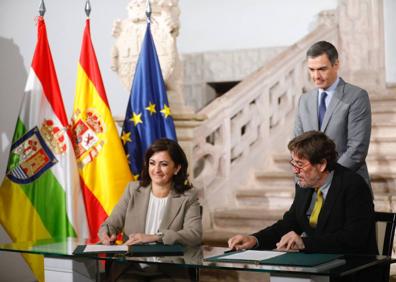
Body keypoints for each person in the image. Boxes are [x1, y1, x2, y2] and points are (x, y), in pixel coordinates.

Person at [228, 131, 377, 256]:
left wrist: (304, 243)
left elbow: (354, 238)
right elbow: (289, 224)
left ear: (322, 164)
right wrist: (255, 239)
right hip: (317, 265)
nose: (295, 170)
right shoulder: (304, 185)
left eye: (300, 164)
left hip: (352, 268)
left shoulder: (353, 185)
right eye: (293, 163)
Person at [99, 138, 202, 281]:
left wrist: (155, 237)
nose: (157, 170)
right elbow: (110, 224)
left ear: (177, 168)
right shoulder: (133, 190)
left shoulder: (188, 197)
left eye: (164, 164)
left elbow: (194, 234)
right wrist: (106, 233)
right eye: (152, 163)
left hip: (169, 270)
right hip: (131, 267)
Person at [294, 41, 372, 188]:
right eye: (311, 70)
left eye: (322, 69)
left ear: (336, 65)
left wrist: (324, 179)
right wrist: (307, 177)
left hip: (347, 189)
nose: (316, 76)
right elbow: (297, 147)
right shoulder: (304, 100)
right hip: (310, 191)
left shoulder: (356, 96)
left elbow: (357, 150)